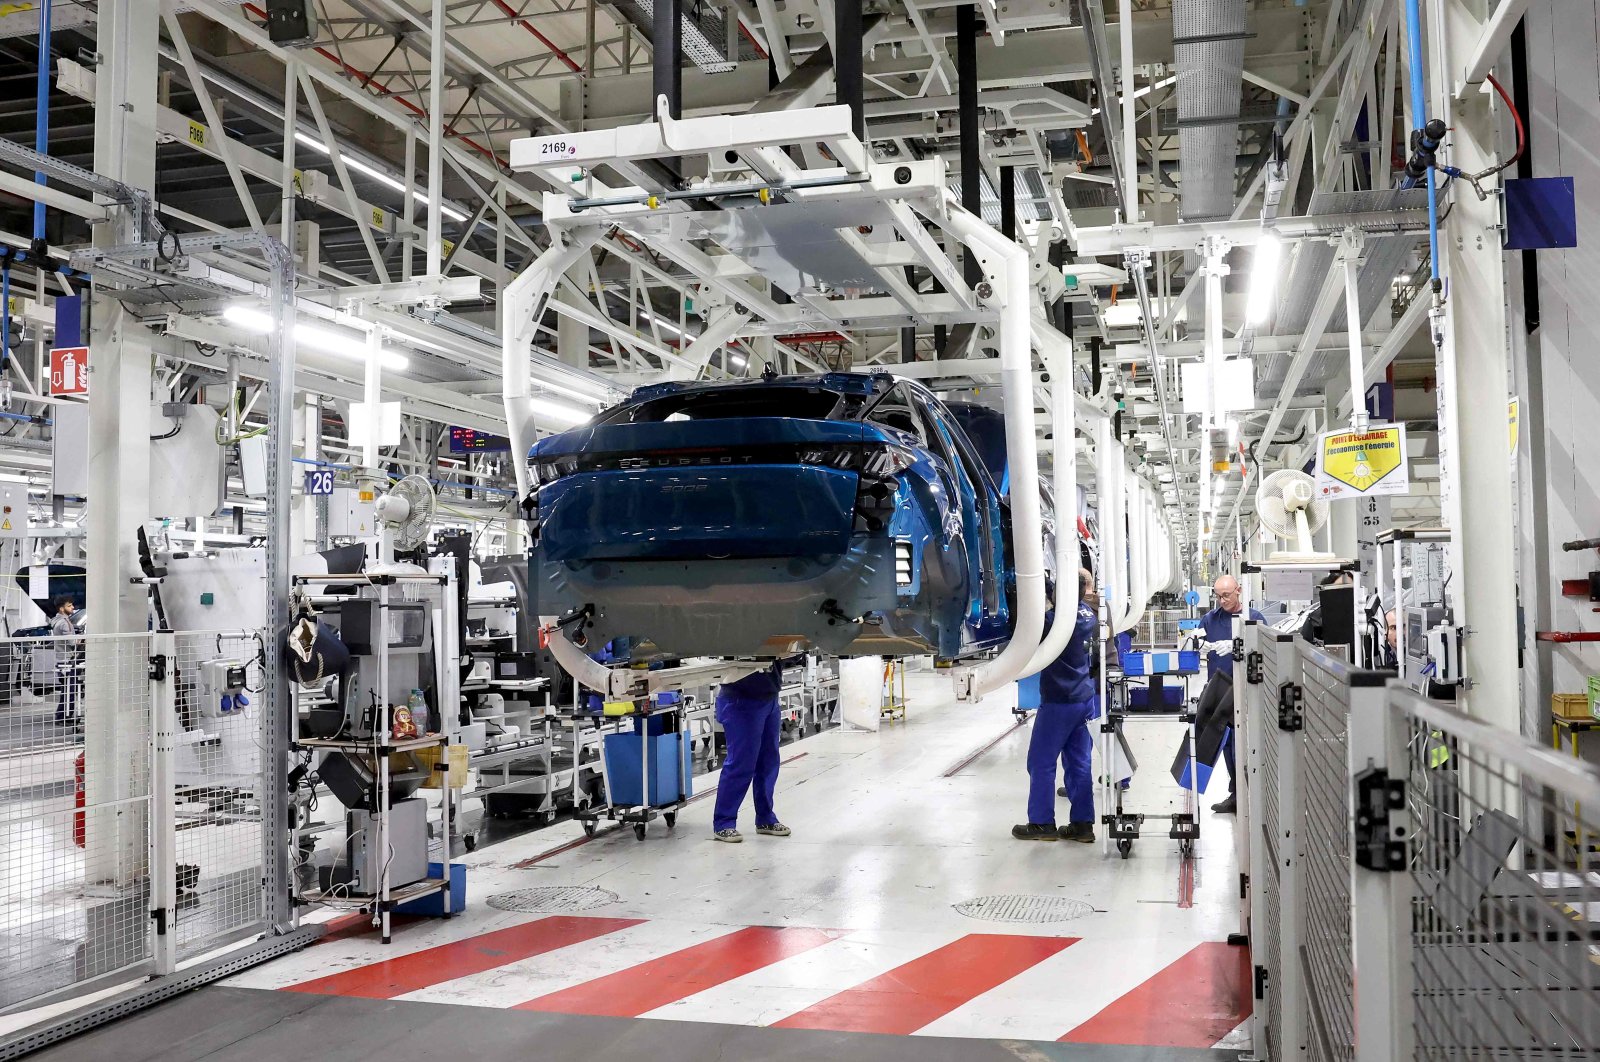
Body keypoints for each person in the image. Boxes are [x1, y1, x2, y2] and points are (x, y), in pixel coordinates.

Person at [1013, 569, 1100, 843]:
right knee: (1079, 763)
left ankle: (1041, 823)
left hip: (1059, 701)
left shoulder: (1052, 621)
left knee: (1041, 761)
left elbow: (1024, 636)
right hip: (1084, 699)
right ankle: (1082, 825)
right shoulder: (1090, 615)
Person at [1196, 575, 1265, 814]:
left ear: (1238, 591)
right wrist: (1197, 644)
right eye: (1218, 595)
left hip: (1246, 691)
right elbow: (1194, 644)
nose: (1222, 600)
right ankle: (1236, 794)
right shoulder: (1209, 619)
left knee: (1243, 745)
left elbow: (1265, 650)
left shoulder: (1254, 618)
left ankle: (1252, 794)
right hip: (1218, 691)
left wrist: (1239, 645)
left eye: (1226, 595)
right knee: (1226, 744)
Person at [711, 658, 797, 842]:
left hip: (770, 696)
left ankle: (765, 819)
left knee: (768, 762)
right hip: (740, 698)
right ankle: (724, 822)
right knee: (741, 762)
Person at [50, 597, 80, 728]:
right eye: (70, 605)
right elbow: (72, 643)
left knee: (66, 690)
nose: (72, 607)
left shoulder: (56, 621)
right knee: (70, 690)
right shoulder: (64, 623)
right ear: (62, 608)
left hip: (60, 660)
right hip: (67, 660)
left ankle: (61, 715)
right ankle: (64, 717)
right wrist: (84, 640)